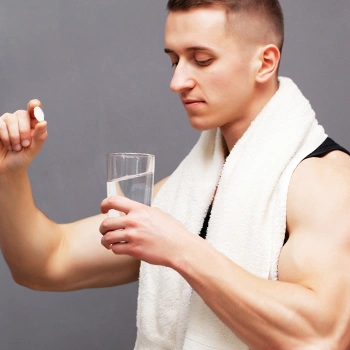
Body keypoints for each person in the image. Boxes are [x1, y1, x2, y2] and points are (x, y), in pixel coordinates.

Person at [0, 0, 350, 349]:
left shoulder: (325, 181)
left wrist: (181, 249)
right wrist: (10, 173)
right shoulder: (186, 195)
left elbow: (323, 336)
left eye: (201, 60)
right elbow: (45, 263)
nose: (177, 81)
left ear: (265, 62)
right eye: (174, 60)